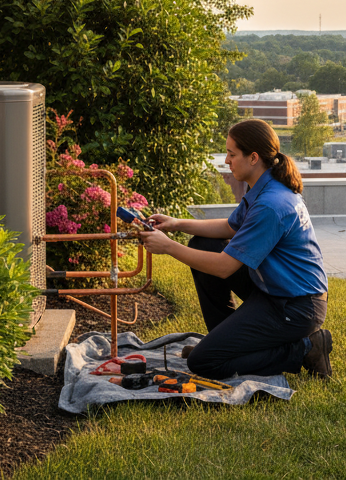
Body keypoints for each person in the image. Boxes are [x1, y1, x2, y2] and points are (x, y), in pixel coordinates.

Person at [140, 119, 332, 380]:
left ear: (253, 158)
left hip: (296, 308)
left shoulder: (271, 204)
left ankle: (306, 349)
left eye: (232, 154)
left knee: (204, 363)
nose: (227, 161)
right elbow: (231, 227)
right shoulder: (264, 187)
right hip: (275, 291)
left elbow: (224, 267)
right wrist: (177, 224)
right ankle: (227, 342)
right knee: (202, 242)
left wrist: (169, 247)